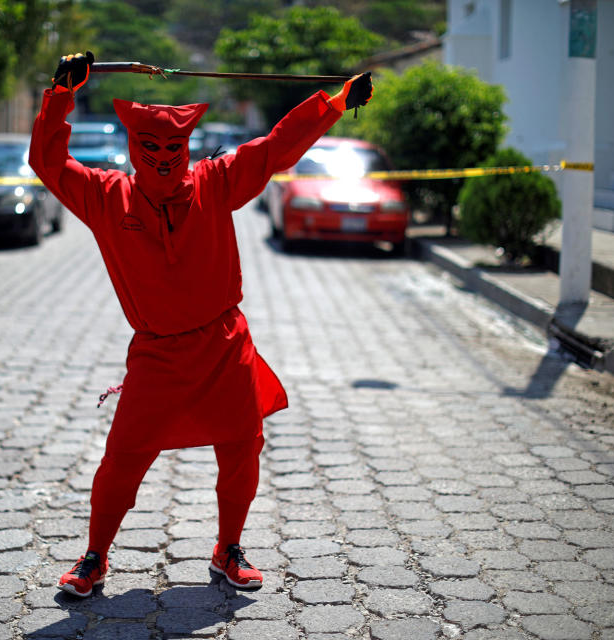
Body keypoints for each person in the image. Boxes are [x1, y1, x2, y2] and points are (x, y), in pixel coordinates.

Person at [29, 51, 371, 598]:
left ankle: (227, 548)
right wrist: (60, 95)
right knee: (122, 459)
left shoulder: (216, 183)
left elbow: (274, 147)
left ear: (186, 149)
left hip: (222, 343)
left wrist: (333, 102)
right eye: (152, 148)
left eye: (173, 148)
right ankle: (95, 555)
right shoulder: (105, 195)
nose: (163, 158)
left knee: (242, 444)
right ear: (134, 149)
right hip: (158, 354)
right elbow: (48, 162)